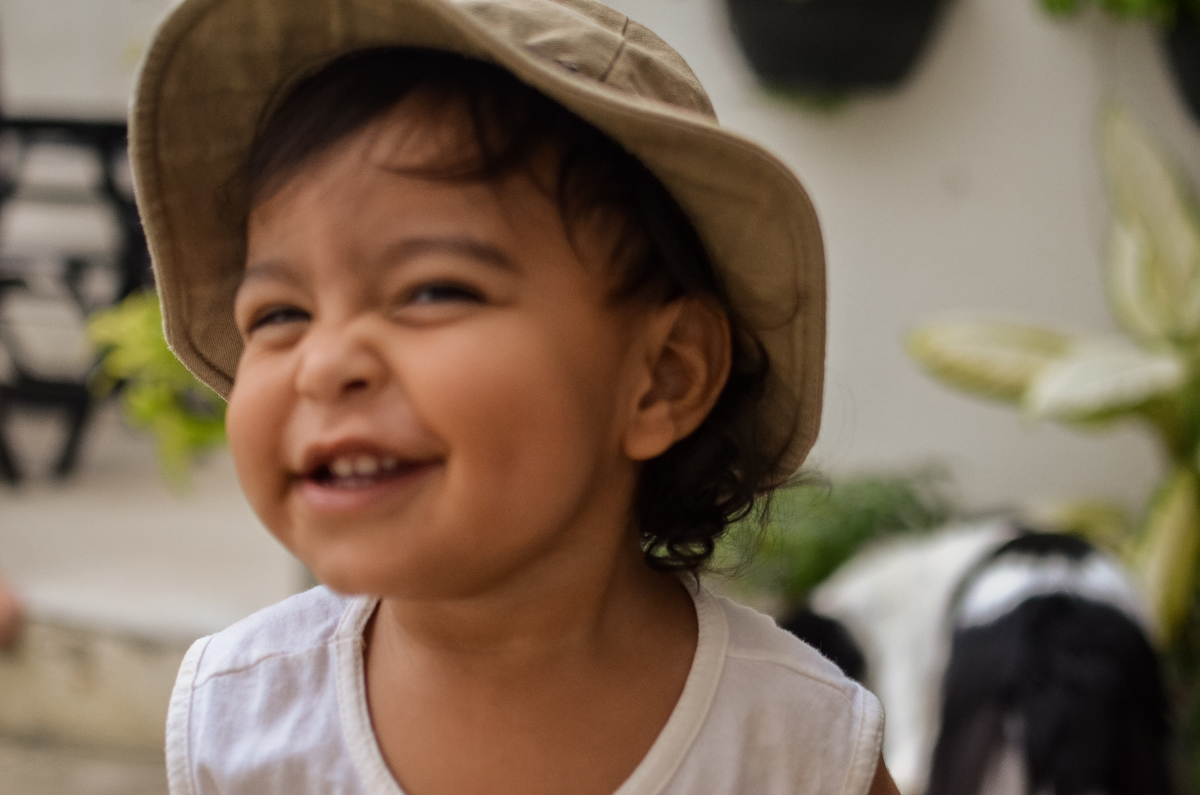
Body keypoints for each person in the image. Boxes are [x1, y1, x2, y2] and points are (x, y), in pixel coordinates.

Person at [131, 1, 898, 793]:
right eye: (281, 313)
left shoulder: (797, 747)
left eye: (431, 291)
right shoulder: (243, 714)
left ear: (663, 375)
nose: (323, 364)